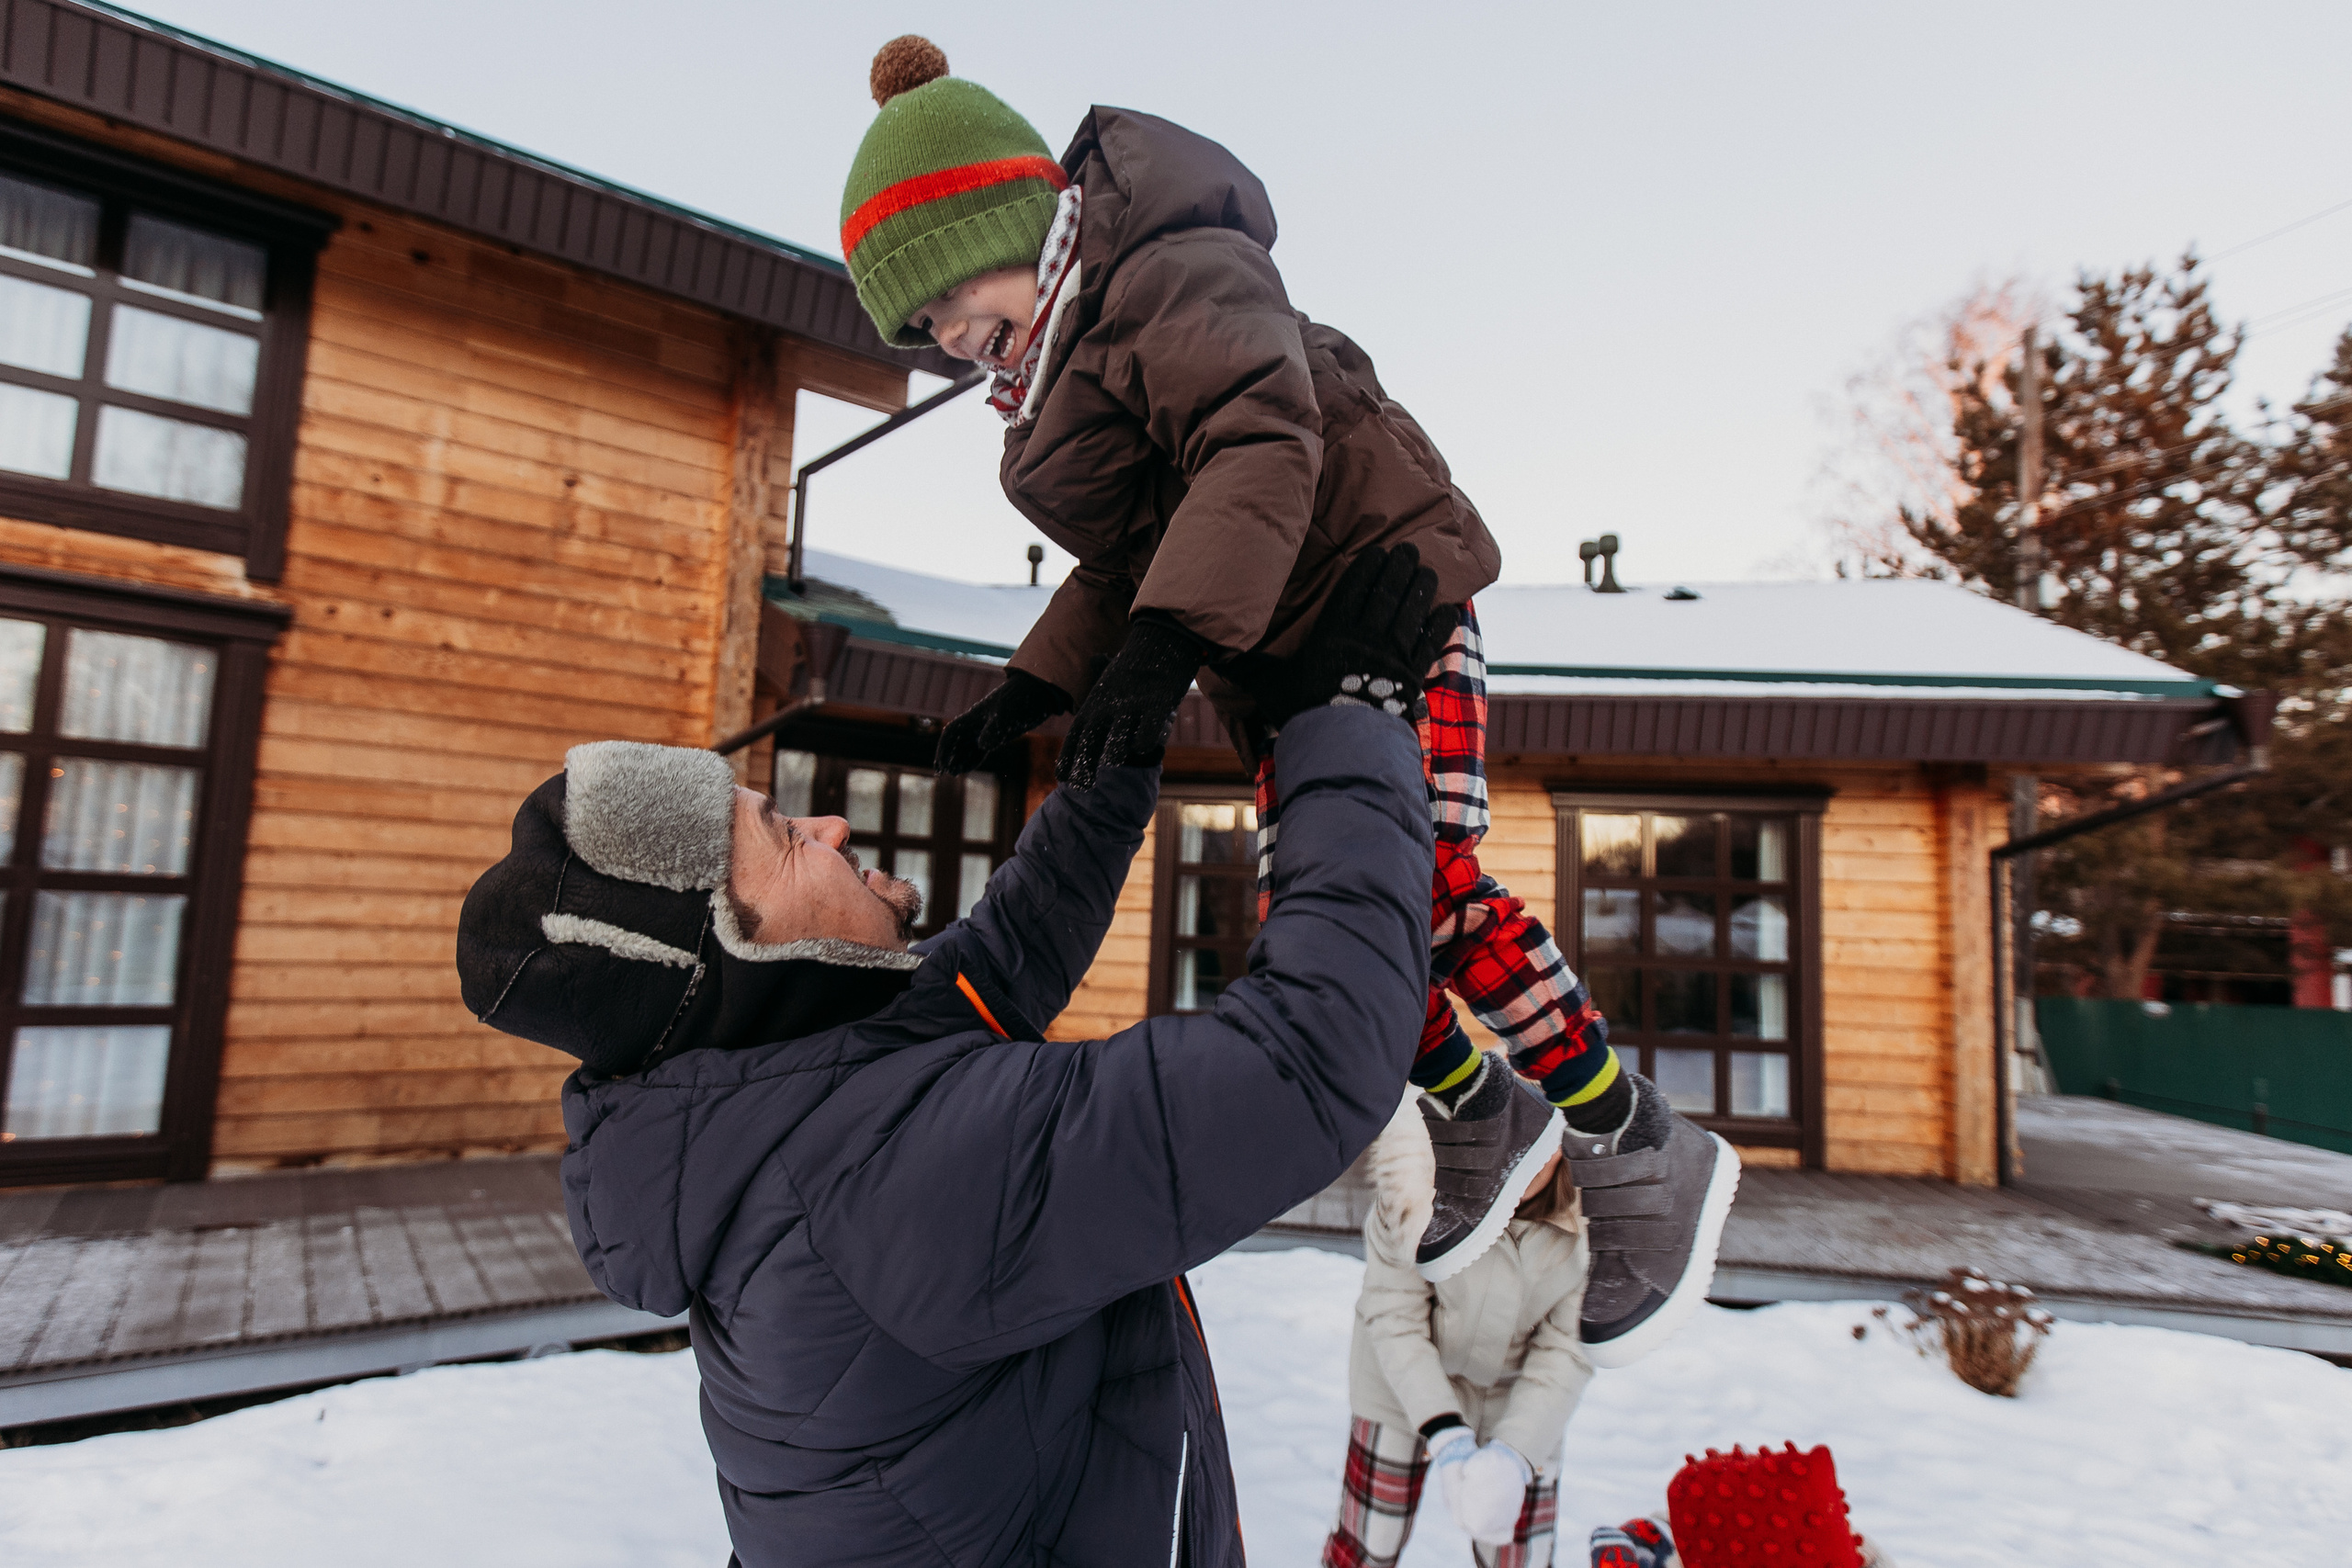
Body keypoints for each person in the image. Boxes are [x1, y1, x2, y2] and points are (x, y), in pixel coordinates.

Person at [835, 35, 1736, 1339]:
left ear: (1015, 221)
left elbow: (1260, 435)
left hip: (1389, 591)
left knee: (1422, 879)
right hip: (1291, 656)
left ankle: (1635, 1134)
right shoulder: (1055, 380)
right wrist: (1035, 679)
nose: (949, 339)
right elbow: (1133, 554)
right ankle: (1480, 1112)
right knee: (1333, 906)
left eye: (943, 300)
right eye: (921, 332)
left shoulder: (1168, 267)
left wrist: (1164, 643)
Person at [456, 548, 1450, 1568]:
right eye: (786, 835)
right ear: (741, 949)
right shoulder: (885, 1180)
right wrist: (1350, 722)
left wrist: (1115, 753)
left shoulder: (792, 1093)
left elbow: (998, 963)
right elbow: (1309, 1058)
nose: (831, 824)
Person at [1325, 1086, 1594, 1568]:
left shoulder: (1592, 1225)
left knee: (1520, 1557)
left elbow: (1567, 1351)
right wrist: (1446, 1433)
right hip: (1398, 1386)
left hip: (1517, 1397)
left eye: (1551, 1141)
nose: (1538, 1155)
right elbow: (1394, 1315)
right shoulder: (1415, 1187)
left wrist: (1514, 1455)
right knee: (1367, 1546)